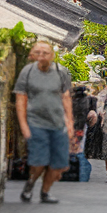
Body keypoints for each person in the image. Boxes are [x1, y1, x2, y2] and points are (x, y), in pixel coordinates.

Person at [14, 41, 74, 203]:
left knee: (59, 164)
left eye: (45, 53)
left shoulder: (61, 72)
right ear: (33, 55)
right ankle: (31, 184)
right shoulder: (27, 72)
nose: (42, 56)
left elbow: (66, 98)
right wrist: (24, 125)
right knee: (40, 161)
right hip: (36, 123)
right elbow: (21, 99)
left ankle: (45, 191)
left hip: (58, 123)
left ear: (52, 55)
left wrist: (70, 122)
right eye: (38, 52)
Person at [71, 85, 98, 183]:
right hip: (81, 128)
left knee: (73, 151)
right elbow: (93, 116)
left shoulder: (70, 101)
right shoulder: (88, 101)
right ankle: (83, 176)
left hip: (70, 128)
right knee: (79, 152)